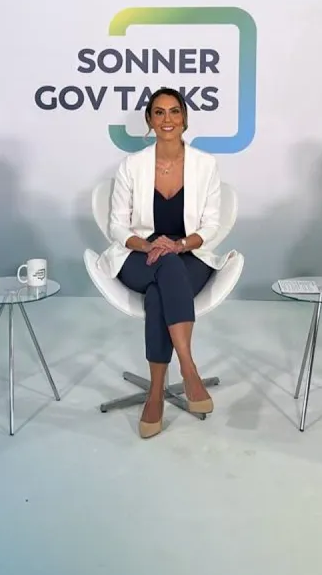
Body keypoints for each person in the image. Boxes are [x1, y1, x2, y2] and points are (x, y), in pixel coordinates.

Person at [96, 88, 231, 438]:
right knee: (166, 266)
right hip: (139, 256)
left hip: (191, 257)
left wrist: (179, 245)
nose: (167, 119)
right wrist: (148, 245)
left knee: (160, 291)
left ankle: (155, 394)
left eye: (174, 111)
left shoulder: (205, 165)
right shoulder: (132, 165)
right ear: (149, 120)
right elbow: (116, 226)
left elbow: (211, 226)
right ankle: (188, 368)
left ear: (184, 118)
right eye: (159, 112)